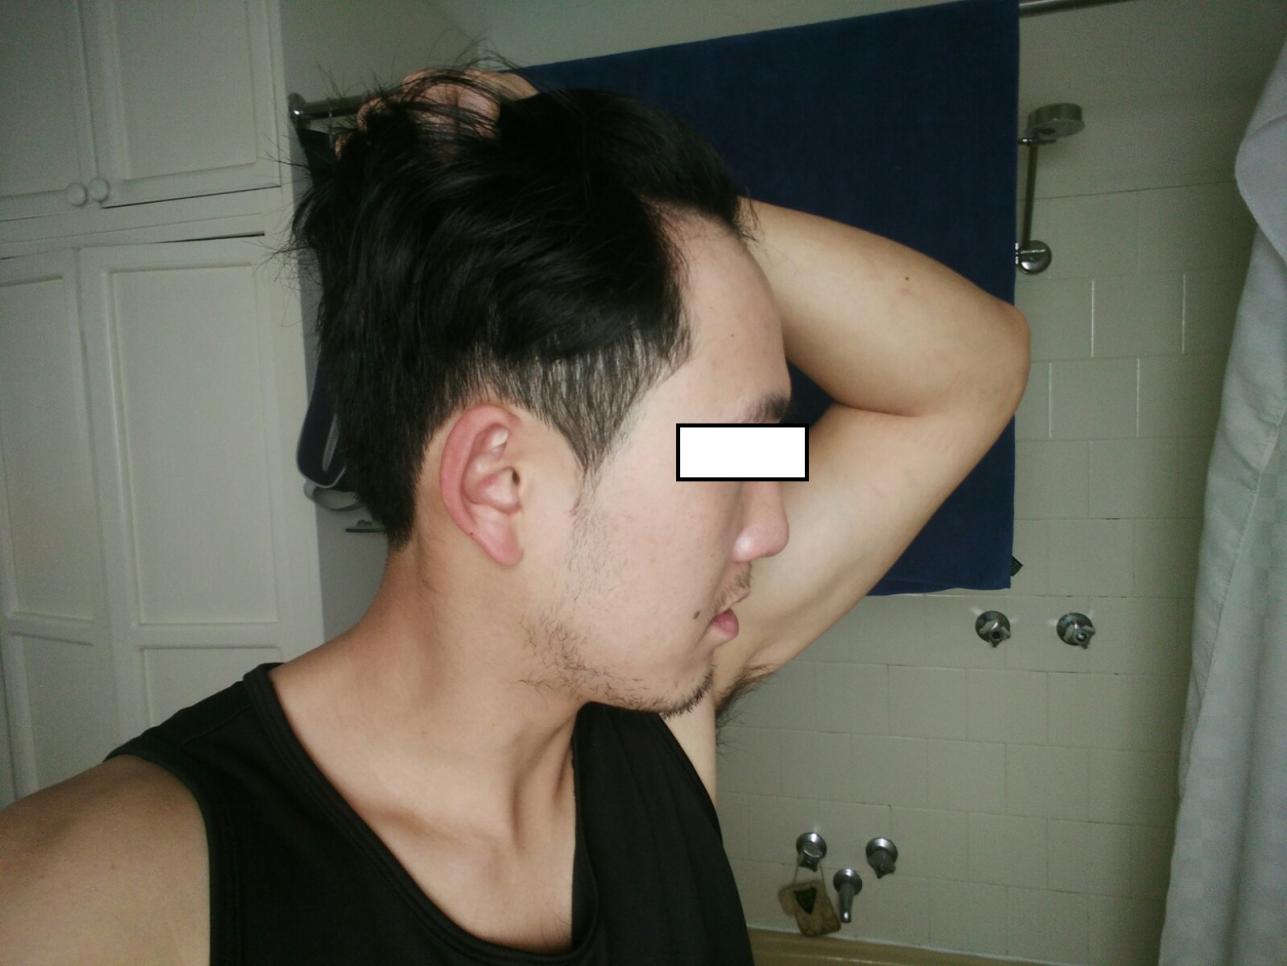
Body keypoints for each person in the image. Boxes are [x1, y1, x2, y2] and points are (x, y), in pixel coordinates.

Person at [0, 61, 1029, 964]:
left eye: (764, 452)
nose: (770, 526)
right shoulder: (99, 892)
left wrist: (631, 211)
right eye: (725, 457)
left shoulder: (656, 709)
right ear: (499, 483)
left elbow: (972, 371)